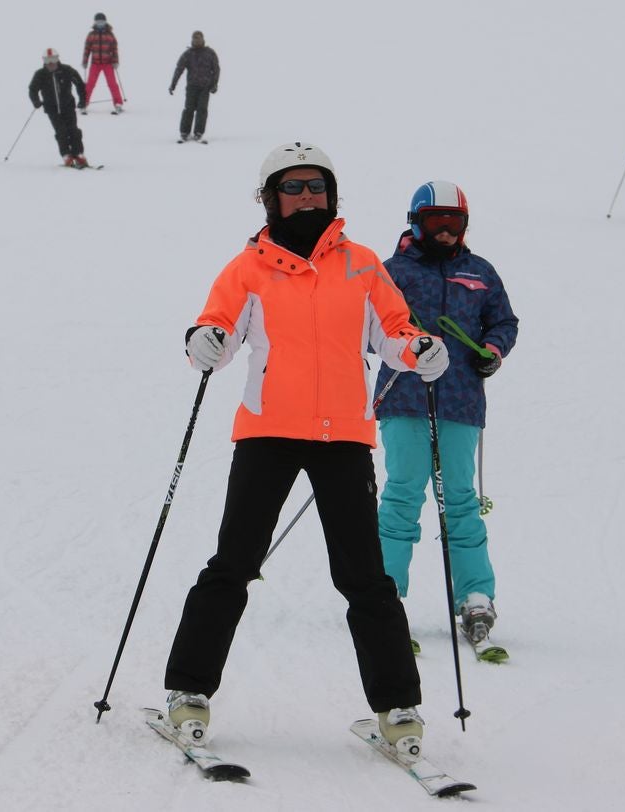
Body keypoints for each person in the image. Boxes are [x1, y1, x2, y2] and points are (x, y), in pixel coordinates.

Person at [162, 142, 450, 757]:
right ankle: (188, 692)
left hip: (343, 435)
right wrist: (204, 342)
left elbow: (395, 333)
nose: (306, 198)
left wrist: (420, 350)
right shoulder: (248, 269)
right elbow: (213, 330)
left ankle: (398, 710)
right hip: (267, 433)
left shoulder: (363, 265)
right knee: (233, 564)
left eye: (316, 187)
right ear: (270, 197)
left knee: (365, 577)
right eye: (293, 188)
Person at [372, 181, 518, 651]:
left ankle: (475, 594)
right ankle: (385, 595)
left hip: (460, 401)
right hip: (404, 398)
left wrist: (492, 351)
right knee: (402, 495)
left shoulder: (480, 272)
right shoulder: (392, 272)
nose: (448, 232)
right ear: (416, 221)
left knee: (460, 500)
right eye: (438, 222)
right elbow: (365, 327)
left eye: (456, 223)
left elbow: (503, 321)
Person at [27, 49, 89, 168]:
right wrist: (36, 101)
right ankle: (66, 156)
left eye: (53, 59)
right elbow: (32, 89)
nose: (51, 63)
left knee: (73, 130)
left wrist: (82, 100)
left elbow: (80, 84)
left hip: (68, 106)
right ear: (44, 61)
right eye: (48, 60)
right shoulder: (40, 74)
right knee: (61, 132)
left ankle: (79, 154)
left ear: (58, 59)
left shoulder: (67, 70)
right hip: (52, 109)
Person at [169, 31, 220, 142]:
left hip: (205, 87)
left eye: (198, 39)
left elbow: (216, 69)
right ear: (192, 40)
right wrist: (173, 84)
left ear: (202, 39)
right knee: (189, 109)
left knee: (202, 109)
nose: (196, 41)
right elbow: (179, 69)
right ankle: (184, 132)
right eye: (194, 39)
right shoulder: (188, 54)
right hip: (191, 87)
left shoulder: (210, 53)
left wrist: (215, 84)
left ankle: (198, 132)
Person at [81, 13, 123, 114]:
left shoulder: (109, 34)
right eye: (98, 22)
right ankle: (84, 102)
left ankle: (118, 103)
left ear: (105, 22)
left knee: (112, 83)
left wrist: (115, 61)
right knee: (90, 84)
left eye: (102, 22)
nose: (100, 24)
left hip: (107, 63)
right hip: (95, 63)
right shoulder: (91, 35)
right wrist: (85, 61)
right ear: (95, 23)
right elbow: (87, 49)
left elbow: (114, 49)